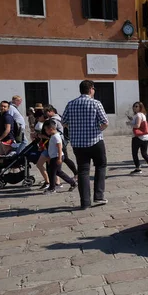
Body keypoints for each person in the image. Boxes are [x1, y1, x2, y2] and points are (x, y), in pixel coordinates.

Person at [62, 80, 109, 208]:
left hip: (78, 143)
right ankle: (98, 196)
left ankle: (85, 202)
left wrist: (74, 130)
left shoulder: (71, 104)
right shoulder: (95, 103)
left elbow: (64, 122)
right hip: (95, 141)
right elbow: (105, 122)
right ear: (91, 89)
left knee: (83, 171)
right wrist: (96, 130)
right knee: (100, 165)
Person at [44, 105, 78, 181]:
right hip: (62, 140)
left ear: (51, 111)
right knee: (65, 158)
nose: (46, 115)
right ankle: (75, 173)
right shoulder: (59, 116)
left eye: (47, 112)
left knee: (64, 159)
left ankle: (75, 175)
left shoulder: (54, 120)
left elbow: (52, 130)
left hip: (59, 141)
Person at [43, 119, 77, 194]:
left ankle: (52, 188)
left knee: (52, 172)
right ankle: (72, 183)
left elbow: (59, 147)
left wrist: (59, 158)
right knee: (58, 172)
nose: (45, 131)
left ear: (51, 129)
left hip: (56, 157)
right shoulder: (53, 135)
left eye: (46, 130)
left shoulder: (56, 136)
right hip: (54, 157)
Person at [129, 102, 148, 176]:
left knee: (134, 153)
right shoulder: (143, 115)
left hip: (137, 137)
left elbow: (137, 125)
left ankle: (138, 168)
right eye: (134, 106)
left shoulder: (138, 115)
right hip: (145, 137)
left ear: (140, 107)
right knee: (144, 153)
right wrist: (132, 119)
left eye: (136, 106)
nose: (134, 107)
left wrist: (130, 123)